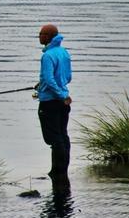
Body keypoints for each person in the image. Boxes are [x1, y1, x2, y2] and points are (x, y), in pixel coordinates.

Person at [36, 24, 72, 180]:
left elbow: (50, 80)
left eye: (42, 34)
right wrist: (63, 94)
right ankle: (62, 172)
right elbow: (67, 77)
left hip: (50, 102)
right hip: (63, 102)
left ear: (49, 36)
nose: (39, 36)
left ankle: (57, 172)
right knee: (63, 135)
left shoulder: (47, 56)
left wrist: (57, 93)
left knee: (54, 138)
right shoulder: (64, 52)